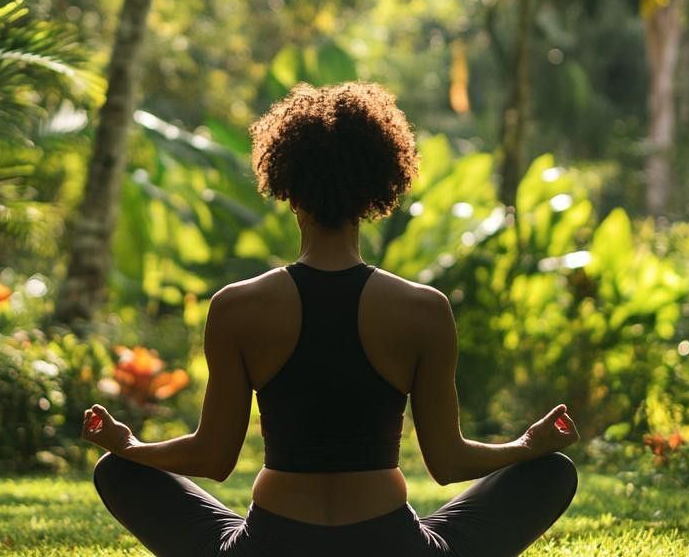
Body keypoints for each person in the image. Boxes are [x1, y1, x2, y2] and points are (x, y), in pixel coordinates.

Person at [81, 82, 579, 557]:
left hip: (269, 548)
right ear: (376, 192)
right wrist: (528, 444)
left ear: (288, 189)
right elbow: (449, 463)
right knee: (551, 471)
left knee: (118, 472)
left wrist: (129, 446)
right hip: (391, 548)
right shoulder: (423, 309)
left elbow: (213, 458)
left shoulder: (237, 306)